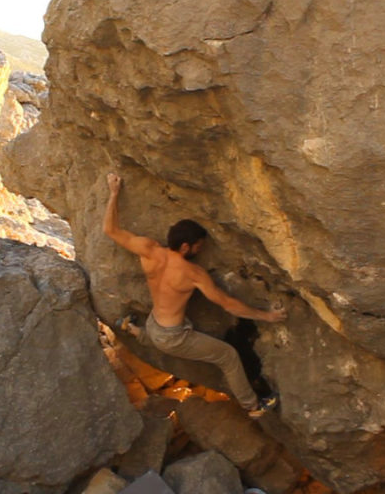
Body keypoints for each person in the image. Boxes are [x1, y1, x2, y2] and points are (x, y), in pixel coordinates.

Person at [103, 172, 287, 419]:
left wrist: (114, 192)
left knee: (158, 335)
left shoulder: (149, 250)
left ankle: (134, 330)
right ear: (186, 247)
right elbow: (228, 304)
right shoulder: (193, 273)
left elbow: (110, 229)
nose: (202, 250)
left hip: (154, 323)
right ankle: (252, 406)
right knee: (228, 356)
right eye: (199, 246)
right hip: (174, 337)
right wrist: (266, 316)